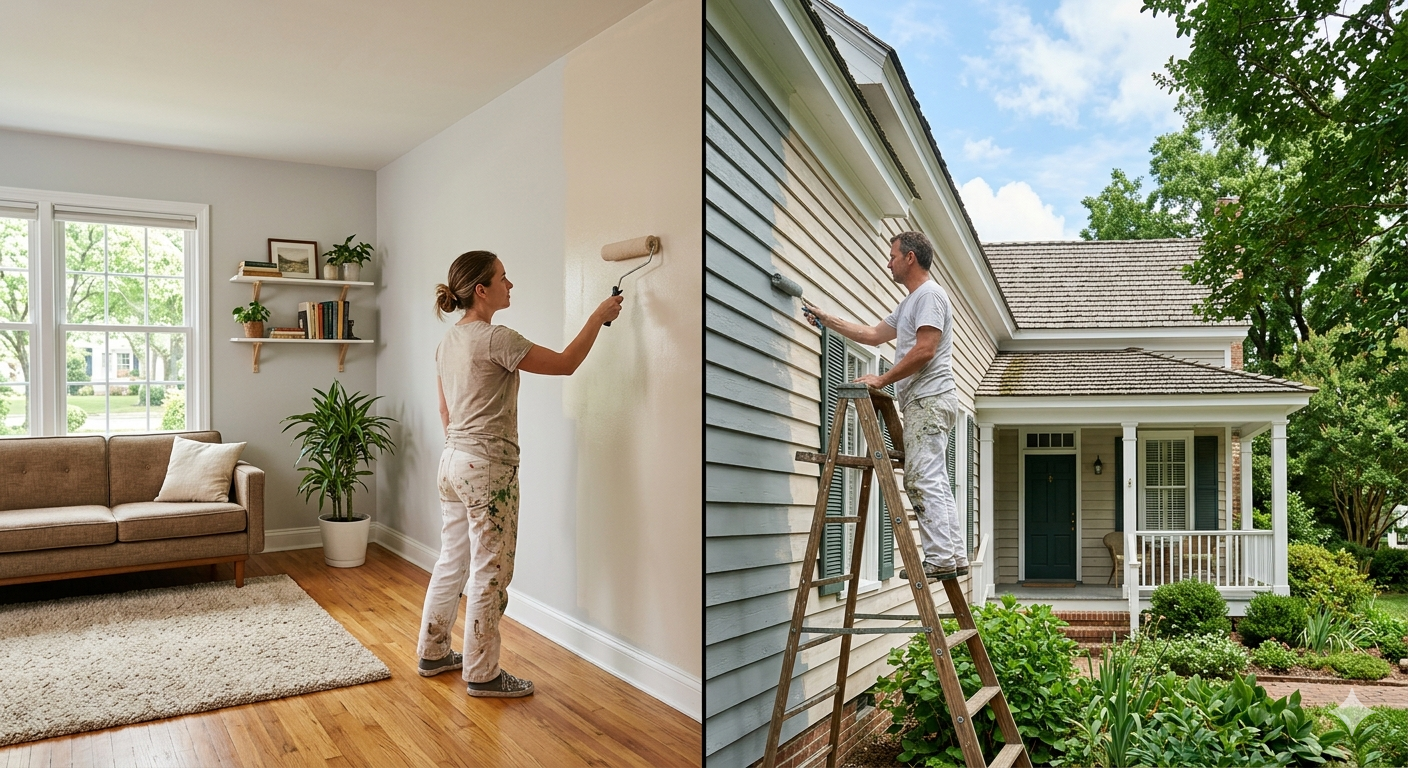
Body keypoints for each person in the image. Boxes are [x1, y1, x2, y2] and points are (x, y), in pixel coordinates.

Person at [416, 250, 622, 697]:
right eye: (504, 278)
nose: (512, 285)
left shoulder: (447, 342)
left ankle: (433, 652)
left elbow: (444, 410)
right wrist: (598, 315)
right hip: (487, 468)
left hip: (451, 463)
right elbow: (567, 363)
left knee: (452, 559)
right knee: (491, 571)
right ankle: (483, 674)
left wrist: (463, 447)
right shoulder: (496, 339)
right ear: (482, 290)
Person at [801, 231, 966, 582]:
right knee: (933, 476)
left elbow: (925, 350)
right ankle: (953, 555)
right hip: (925, 401)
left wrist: (882, 379)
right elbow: (874, 335)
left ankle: (939, 558)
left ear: (910, 257)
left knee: (921, 478)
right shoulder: (910, 303)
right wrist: (826, 319)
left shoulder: (930, 296)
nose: (887, 262)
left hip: (930, 399)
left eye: (892, 255)